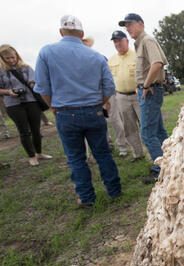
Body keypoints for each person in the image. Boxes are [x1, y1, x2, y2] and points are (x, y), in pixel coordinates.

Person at [34, 15, 121, 207]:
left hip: (65, 112)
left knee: (75, 158)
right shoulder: (97, 56)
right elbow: (109, 88)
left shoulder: (47, 52)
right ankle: (115, 191)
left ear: (60, 32)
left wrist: (53, 106)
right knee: (103, 153)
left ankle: (86, 198)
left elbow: (43, 87)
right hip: (93, 111)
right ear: (82, 34)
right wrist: (99, 103)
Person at [119, 13, 169, 184]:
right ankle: (170, 162)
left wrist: (146, 85)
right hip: (146, 90)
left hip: (151, 91)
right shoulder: (140, 43)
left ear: (140, 23)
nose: (127, 28)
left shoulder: (147, 40)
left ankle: (161, 169)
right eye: (126, 26)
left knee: (147, 133)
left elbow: (157, 63)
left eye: (130, 24)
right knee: (159, 131)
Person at [0, 44, 52, 166]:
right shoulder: (1, 72)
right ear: (2, 59)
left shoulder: (26, 67)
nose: (12, 60)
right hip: (13, 105)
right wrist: (8, 91)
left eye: (13, 57)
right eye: (8, 58)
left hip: (31, 101)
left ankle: (39, 153)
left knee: (36, 129)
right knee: (24, 131)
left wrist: (33, 84)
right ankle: (31, 156)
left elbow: (34, 81)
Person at [107, 30, 145, 162]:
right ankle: (138, 153)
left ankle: (157, 152)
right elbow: (108, 79)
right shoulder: (111, 60)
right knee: (129, 127)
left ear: (127, 41)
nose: (117, 44)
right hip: (121, 97)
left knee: (145, 124)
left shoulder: (137, 55)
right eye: (115, 41)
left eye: (119, 40)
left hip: (138, 95)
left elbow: (145, 73)